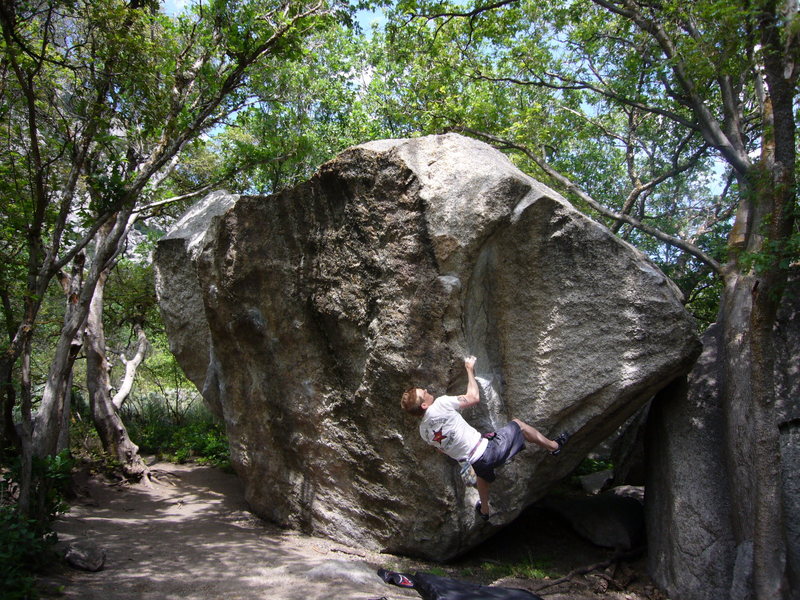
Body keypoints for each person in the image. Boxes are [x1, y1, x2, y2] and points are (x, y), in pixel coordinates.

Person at [400, 356, 569, 520]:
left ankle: (485, 510)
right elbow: (473, 397)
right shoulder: (440, 404)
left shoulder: (423, 432)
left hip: (471, 464)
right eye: (424, 392)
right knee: (519, 425)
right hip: (488, 451)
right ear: (424, 404)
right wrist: (469, 369)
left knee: (482, 474)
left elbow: (441, 450)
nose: (427, 390)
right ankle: (554, 447)